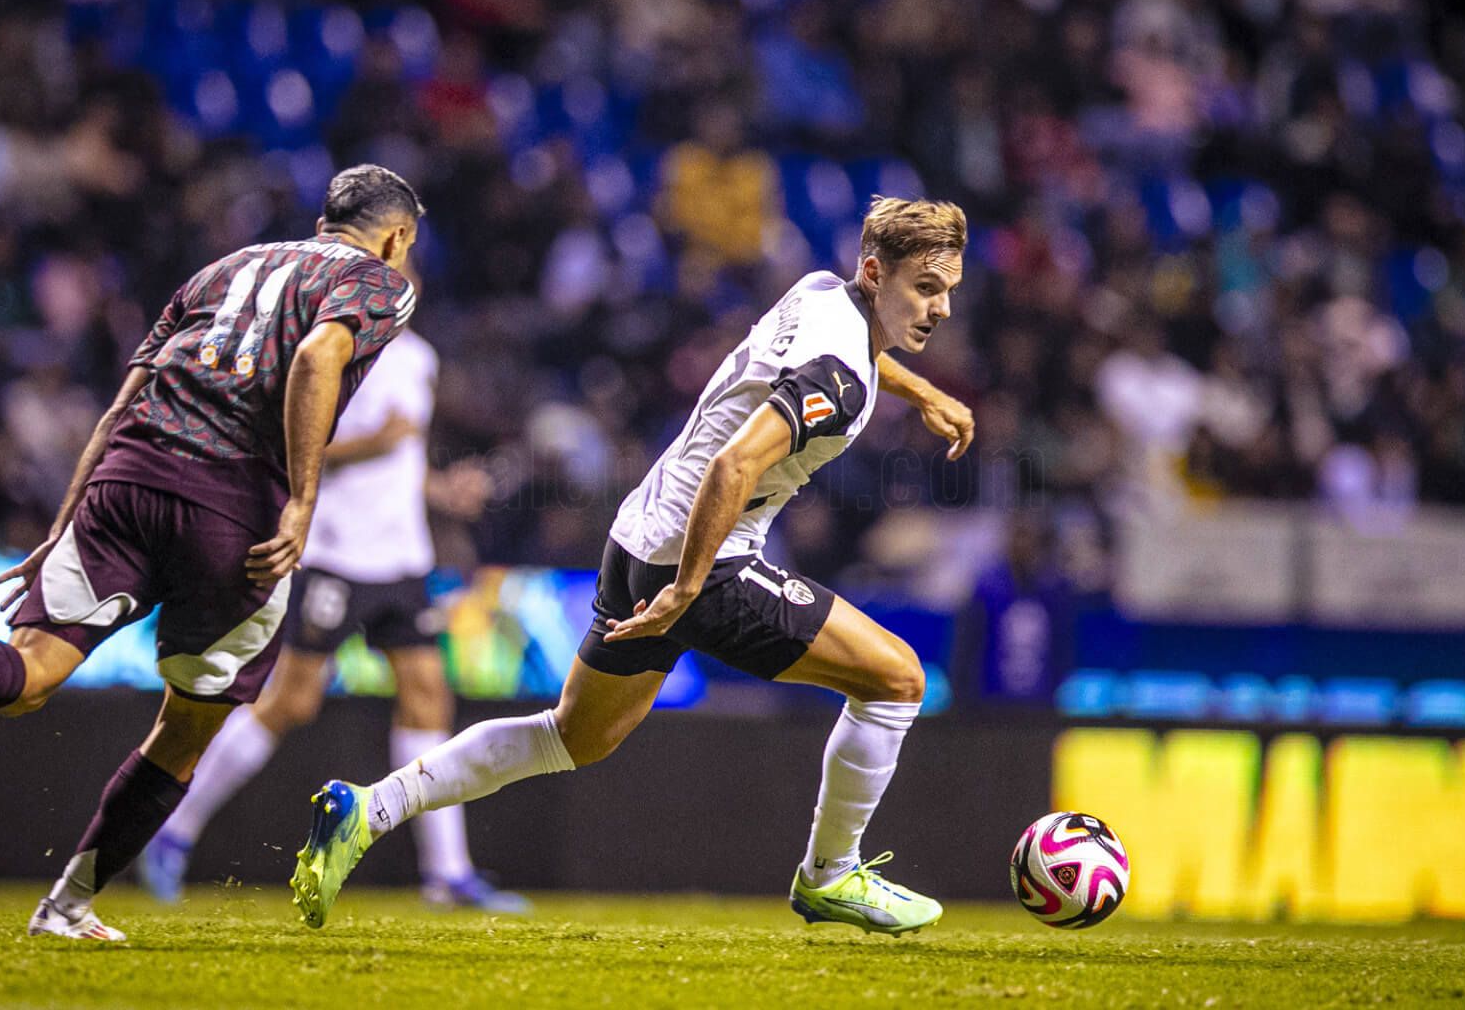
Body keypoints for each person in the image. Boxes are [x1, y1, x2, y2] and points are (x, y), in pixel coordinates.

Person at [291, 196, 976, 936]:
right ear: (875, 272)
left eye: (949, 291)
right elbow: (735, 464)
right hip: (700, 563)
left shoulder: (820, 292)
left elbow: (849, 358)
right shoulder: (837, 379)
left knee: (570, 736)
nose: (940, 308)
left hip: (636, 540)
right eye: (925, 288)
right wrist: (687, 589)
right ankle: (831, 875)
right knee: (898, 681)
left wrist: (923, 390)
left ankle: (368, 808)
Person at [0, 164, 423, 941]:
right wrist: (303, 501)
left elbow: (125, 400)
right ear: (395, 237)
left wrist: (62, 523)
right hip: (234, 510)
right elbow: (320, 358)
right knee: (186, 729)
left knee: (30, 672)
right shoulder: (380, 281)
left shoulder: (224, 268)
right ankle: (68, 903)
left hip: (127, 476)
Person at [137, 327, 527, 912]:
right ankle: (173, 832)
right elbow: (285, 448)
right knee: (291, 701)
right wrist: (374, 442)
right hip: (338, 555)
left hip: (403, 557)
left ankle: (447, 873)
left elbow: (402, 459)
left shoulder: (419, 353)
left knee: (428, 697)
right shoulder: (328, 349)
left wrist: (441, 491)